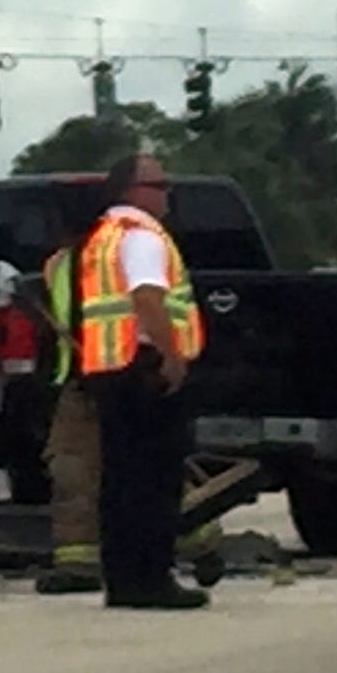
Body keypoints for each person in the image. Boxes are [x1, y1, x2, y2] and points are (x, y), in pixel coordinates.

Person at [71, 153, 209, 611]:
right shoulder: (142, 236)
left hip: (110, 368)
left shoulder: (103, 236)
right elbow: (148, 298)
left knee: (120, 480)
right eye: (159, 184)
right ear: (131, 191)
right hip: (144, 367)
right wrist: (172, 354)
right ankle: (152, 578)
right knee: (154, 480)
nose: (167, 192)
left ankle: (125, 580)